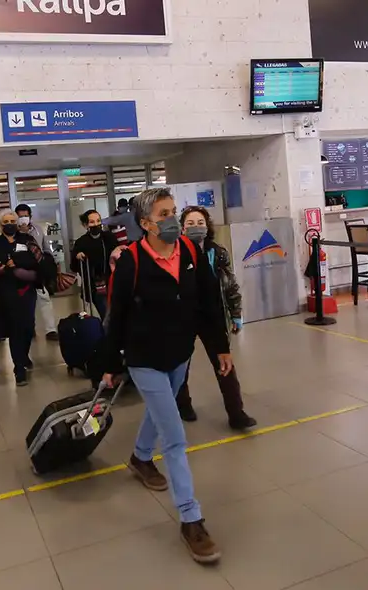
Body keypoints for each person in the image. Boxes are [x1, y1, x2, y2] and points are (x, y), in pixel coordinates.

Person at [100, 188, 230, 564]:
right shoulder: (132, 262)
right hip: (144, 358)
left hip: (179, 353)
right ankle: (191, 519)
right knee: (174, 436)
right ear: (145, 223)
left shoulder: (189, 253)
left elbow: (208, 302)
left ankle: (140, 457)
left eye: (173, 211)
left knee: (162, 412)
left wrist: (220, 346)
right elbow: (117, 315)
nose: (172, 219)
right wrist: (110, 363)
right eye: (164, 214)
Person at [176, 206, 257, 430]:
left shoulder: (218, 252)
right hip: (185, 316)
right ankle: (183, 405)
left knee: (225, 364)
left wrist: (236, 314)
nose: (195, 227)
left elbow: (230, 285)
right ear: (182, 228)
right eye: (190, 224)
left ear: (208, 226)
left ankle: (236, 413)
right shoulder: (175, 253)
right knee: (181, 365)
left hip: (213, 315)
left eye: (200, 222)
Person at [0, 210, 48, 386]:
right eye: (6, 221)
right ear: (0, 225)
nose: (10, 224)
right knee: (14, 328)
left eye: (13, 220)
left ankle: (24, 355)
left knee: (27, 326)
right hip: (6, 290)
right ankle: (18, 368)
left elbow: (39, 259)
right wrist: (1, 269)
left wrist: (18, 261)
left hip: (27, 289)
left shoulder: (27, 239)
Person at [15, 204, 58, 341]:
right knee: (26, 302)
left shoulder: (38, 230)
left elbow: (46, 248)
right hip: (22, 272)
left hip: (39, 271)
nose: (23, 219)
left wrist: (53, 263)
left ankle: (50, 330)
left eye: (25, 216)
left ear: (30, 216)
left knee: (44, 298)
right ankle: (29, 328)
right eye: (20, 216)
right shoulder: (13, 233)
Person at [70, 209, 120, 319]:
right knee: (107, 314)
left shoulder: (109, 238)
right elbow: (73, 266)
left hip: (113, 282)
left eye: (98, 221)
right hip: (96, 285)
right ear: (85, 225)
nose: (96, 224)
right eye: (92, 222)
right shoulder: (81, 242)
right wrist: (78, 256)